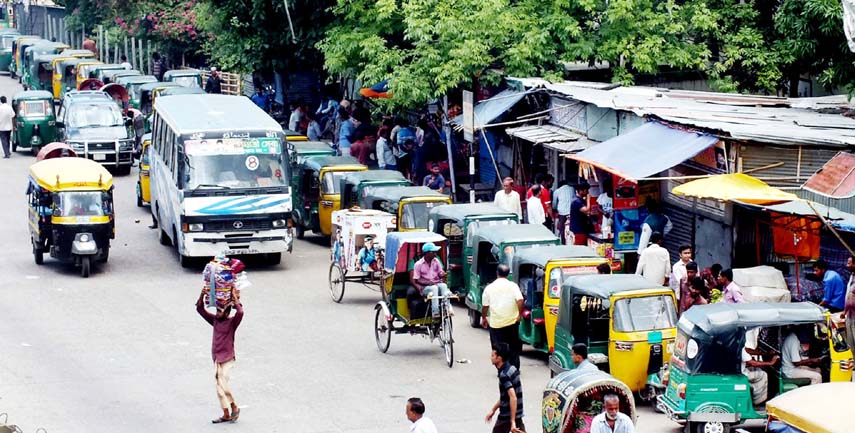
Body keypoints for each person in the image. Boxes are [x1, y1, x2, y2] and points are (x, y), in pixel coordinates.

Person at [196, 286, 243, 423]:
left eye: (220, 310)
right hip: (217, 358)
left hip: (228, 358)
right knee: (218, 388)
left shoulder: (232, 322)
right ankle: (226, 413)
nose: (217, 313)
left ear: (228, 311)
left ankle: (234, 406)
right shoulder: (215, 321)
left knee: (222, 381)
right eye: (217, 310)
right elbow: (200, 309)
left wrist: (234, 298)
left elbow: (240, 313)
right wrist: (202, 294)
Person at [481, 264, 524, 369]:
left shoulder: (489, 288)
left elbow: (485, 306)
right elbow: (520, 300)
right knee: (513, 347)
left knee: (498, 348)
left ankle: (502, 369)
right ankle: (514, 369)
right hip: (512, 322)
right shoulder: (513, 286)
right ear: (508, 274)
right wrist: (519, 315)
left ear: (497, 273)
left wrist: (484, 317)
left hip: (496, 324)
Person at [485, 343, 525, 433]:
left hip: (507, 415)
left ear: (499, 358)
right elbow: (505, 396)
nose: (490, 357)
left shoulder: (504, 375)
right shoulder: (512, 369)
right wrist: (493, 410)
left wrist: (512, 421)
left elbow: (513, 397)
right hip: (517, 412)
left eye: (493, 355)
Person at [411, 242, 452, 318]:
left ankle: (447, 308)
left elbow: (440, 272)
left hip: (436, 284)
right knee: (434, 288)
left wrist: (442, 274)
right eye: (433, 252)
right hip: (425, 288)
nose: (435, 253)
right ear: (427, 253)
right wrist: (428, 282)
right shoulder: (418, 264)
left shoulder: (436, 261)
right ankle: (435, 312)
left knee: (443, 286)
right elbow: (417, 279)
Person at [842, 256, 855, 371]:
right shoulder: (852, 277)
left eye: (849, 263)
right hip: (850, 315)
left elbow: (851, 299)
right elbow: (849, 299)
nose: (847, 265)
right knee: (850, 342)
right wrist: (845, 312)